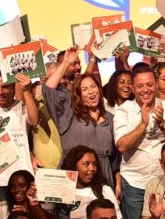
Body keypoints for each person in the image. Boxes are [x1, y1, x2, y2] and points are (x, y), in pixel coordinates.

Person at [114, 67, 165, 219]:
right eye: (140, 86)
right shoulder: (124, 111)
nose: (146, 90)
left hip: (163, 181)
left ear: (156, 86)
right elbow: (122, 146)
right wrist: (143, 125)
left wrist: (162, 123)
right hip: (135, 182)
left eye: (150, 84)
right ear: (133, 88)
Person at [44, 47, 120, 190]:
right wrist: (66, 63)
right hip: (75, 182)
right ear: (78, 95)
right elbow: (48, 89)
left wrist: (118, 184)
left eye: (93, 87)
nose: (91, 91)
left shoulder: (110, 118)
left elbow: (115, 158)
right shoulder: (69, 114)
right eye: (84, 89)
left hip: (104, 180)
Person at [0, 73, 39, 204]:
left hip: (22, 177)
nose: (0, 91)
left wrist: (26, 90)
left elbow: (34, 121)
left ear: (13, 88)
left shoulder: (22, 107)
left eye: (5, 87)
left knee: (23, 217)